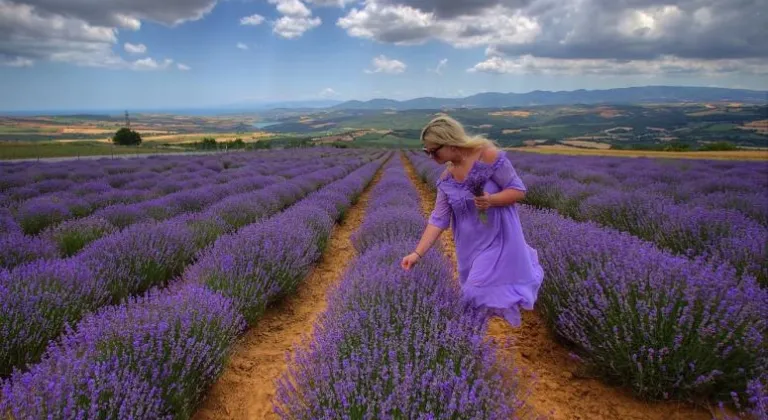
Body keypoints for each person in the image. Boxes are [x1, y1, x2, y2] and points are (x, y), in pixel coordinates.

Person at [401, 115, 544, 327]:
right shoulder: (446, 180)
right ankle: (470, 342)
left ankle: (461, 336)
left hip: (498, 241)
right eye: (426, 152)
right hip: (469, 249)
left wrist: (491, 200)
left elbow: (518, 191)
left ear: (450, 143)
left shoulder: (488, 156)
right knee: (473, 300)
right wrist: (416, 253)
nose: (430, 156)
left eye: (433, 150)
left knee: (472, 294)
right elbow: (438, 219)